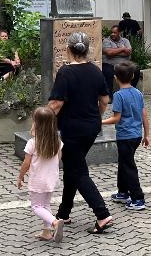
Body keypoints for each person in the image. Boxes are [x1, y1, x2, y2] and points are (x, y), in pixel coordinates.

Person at [47, 32, 114, 234]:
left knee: (77, 171)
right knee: (72, 166)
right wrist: (97, 116)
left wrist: (41, 122)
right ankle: (64, 212)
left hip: (73, 128)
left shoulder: (65, 73)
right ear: (87, 50)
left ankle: (102, 214)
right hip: (92, 127)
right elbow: (105, 101)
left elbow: (56, 104)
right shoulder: (95, 71)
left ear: (68, 49)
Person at [102, 61, 151, 211]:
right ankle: (122, 192)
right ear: (133, 76)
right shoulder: (138, 93)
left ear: (116, 78)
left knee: (129, 166)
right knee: (123, 163)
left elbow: (116, 118)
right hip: (136, 135)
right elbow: (144, 115)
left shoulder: (118, 95)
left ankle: (138, 198)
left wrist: (100, 122)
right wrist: (147, 134)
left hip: (125, 136)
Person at [17, 106, 65, 242]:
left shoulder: (33, 143)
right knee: (45, 205)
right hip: (51, 178)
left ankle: (55, 223)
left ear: (36, 123)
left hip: (38, 180)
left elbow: (26, 163)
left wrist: (20, 176)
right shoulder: (57, 141)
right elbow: (59, 158)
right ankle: (47, 232)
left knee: (36, 207)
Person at [102, 25, 139, 99]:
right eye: (111, 32)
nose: (112, 34)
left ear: (119, 33)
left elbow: (128, 52)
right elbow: (109, 53)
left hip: (124, 64)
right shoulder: (106, 40)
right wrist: (122, 49)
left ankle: (131, 92)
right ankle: (109, 96)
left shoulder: (125, 41)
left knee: (136, 70)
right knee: (107, 72)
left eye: (115, 33)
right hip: (110, 64)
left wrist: (114, 51)